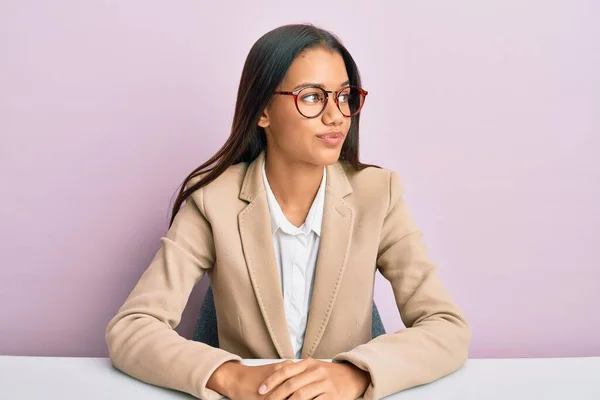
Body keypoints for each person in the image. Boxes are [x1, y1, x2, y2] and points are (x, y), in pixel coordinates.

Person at [105, 23, 471, 400]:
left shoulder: (379, 195)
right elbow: (132, 327)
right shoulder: (212, 201)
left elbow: (447, 326)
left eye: (345, 96)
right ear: (262, 110)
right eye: (312, 97)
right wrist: (231, 377)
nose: (337, 116)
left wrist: (354, 376)